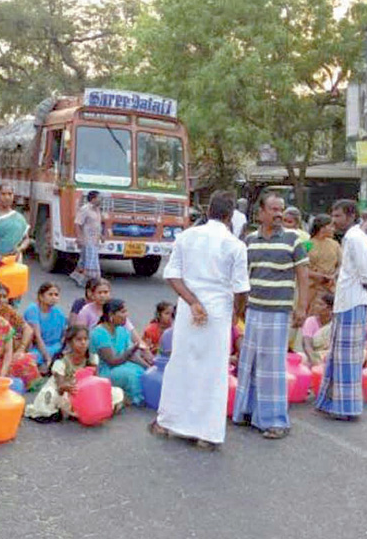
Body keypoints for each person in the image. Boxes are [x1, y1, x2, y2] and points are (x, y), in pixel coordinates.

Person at [151, 190, 250, 449]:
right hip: (218, 313)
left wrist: (193, 302)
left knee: (182, 363)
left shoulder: (187, 237)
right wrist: (235, 315)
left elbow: (172, 275)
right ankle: (207, 433)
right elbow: (241, 289)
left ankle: (169, 422)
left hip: (188, 310)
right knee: (213, 371)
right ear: (230, 216)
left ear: (208, 211)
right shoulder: (235, 246)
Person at [232, 192, 308, 439]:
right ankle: (248, 412)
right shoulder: (250, 241)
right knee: (250, 361)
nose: (278, 214)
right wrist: (238, 309)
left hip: (279, 311)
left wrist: (302, 307)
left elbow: (302, 276)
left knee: (273, 366)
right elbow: (243, 278)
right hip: (253, 310)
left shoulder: (293, 240)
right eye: (273, 209)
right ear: (260, 213)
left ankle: (276, 421)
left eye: (281, 210)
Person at [315, 199, 367, 421]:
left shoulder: (355, 238)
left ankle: (346, 407)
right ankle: (331, 401)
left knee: (347, 358)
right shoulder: (352, 237)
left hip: (352, 301)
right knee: (338, 356)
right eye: (333, 215)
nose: (334, 220)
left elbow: (366, 273)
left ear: (351, 216)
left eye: (338, 215)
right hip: (346, 301)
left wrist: (362, 291)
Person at [26, 325, 124, 421]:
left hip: (85, 392)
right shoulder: (61, 362)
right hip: (66, 392)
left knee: (116, 392)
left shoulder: (92, 358)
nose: (83, 343)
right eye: (79, 340)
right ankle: (61, 412)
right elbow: (60, 386)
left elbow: (96, 380)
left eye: (86, 339)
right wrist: (68, 387)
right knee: (49, 394)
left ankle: (94, 410)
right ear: (69, 342)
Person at [90, 299, 152, 405]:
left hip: (121, 364)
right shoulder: (99, 333)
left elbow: (132, 356)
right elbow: (112, 361)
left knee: (143, 371)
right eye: (123, 312)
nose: (126, 315)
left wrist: (148, 367)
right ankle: (135, 399)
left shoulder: (122, 330)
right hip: (104, 370)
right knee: (131, 374)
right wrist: (132, 350)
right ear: (111, 315)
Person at [0, 286, 38, 388]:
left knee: (27, 360)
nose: (1, 300)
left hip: (8, 353)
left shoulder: (8, 311)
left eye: (4, 297)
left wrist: (21, 348)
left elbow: (28, 329)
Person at [24, 282, 67, 373]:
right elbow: (37, 337)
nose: (53, 297)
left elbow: (64, 334)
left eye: (56, 295)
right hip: (37, 348)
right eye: (50, 294)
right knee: (32, 358)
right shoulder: (33, 310)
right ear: (41, 296)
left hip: (55, 347)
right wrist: (47, 358)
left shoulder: (58, 313)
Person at [305, 214, 341, 315]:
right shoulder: (307, 244)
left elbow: (341, 265)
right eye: (331, 226)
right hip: (312, 288)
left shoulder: (335, 245)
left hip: (330, 287)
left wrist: (333, 275)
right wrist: (318, 275)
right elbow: (301, 267)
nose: (333, 229)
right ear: (322, 227)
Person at [71, 190, 103, 286]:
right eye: (99, 198)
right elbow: (77, 224)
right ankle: (87, 282)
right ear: (93, 199)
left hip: (95, 240)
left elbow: (96, 225)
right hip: (87, 239)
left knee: (86, 260)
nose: (100, 200)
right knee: (90, 261)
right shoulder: (85, 209)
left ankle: (78, 277)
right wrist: (79, 238)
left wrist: (101, 236)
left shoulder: (97, 210)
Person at [302, 292, 334, 366]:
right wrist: (314, 360)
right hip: (314, 355)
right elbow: (307, 344)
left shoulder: (335, 324)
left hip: (330, 356)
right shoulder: (310, 321)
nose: (316, 306)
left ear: (329, 308)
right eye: (316, 304)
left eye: (320, 304)